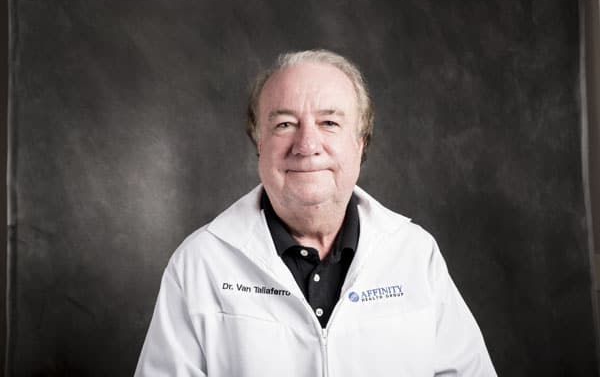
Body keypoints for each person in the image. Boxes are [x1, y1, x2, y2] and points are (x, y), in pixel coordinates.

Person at [134, 49, 497, 376]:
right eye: (284, 124)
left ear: (361, 142)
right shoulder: (200, 264)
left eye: (329, 123)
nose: (307, 146)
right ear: (259, 142)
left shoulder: (415, 254)